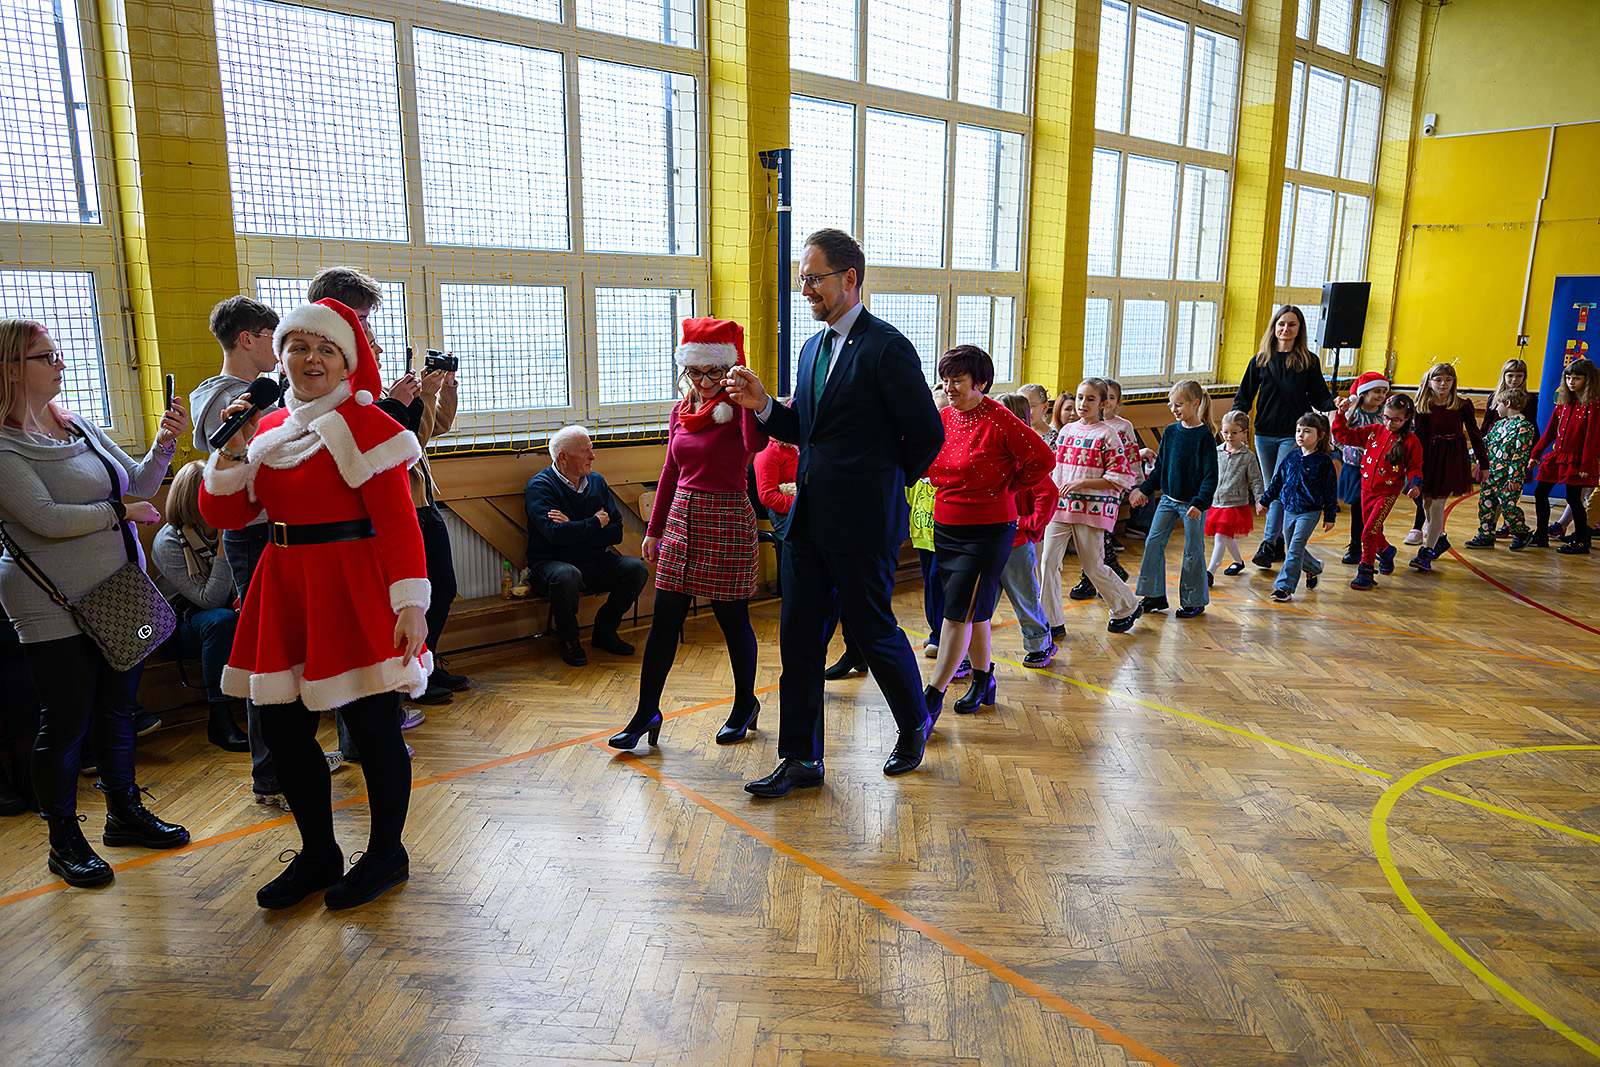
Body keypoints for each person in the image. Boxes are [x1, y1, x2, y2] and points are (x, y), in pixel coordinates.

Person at [201, 298, 428, 910]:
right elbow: (225, 513)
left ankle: (386, 854)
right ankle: (319, 853)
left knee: (373, 728)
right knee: (282, 727)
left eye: (326, 349)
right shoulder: (266, 429)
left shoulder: (370, 426)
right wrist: (230, 450)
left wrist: (411, 603)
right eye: (298, 347)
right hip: (284, 587)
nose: (311, 359)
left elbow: (398, 523)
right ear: (280, 357)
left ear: (347, 362)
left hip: (354, 589)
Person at [723, 228, 944, 796]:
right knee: (798, 640)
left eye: (813, 279)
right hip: (808, 522)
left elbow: (927, 434)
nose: (805, 291)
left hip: (863, 522)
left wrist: (882, 481)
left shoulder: (887, 348)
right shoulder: (811, 349)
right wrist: (764, 404)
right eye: (801, 280)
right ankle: (801, 758)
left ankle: (914, 724)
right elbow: (806, 429)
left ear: (849, 278)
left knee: (872, 631)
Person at [0, 318, 190, 888]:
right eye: (46, 356)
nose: (60, 363)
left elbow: (138, 483)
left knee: (116, 708)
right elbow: (45, 519)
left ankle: (124, 814)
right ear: (11, 369)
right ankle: (64, 841)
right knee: (65, 723)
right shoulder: (3, 444)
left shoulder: (77, 424)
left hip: (117, 591)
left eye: (58, 353)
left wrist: (164, 443)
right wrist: (119, 514)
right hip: (48, 598)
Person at [609, 318, 766, 750]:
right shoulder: (682, 410)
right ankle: (646, 712)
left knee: (732, 619)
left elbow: (756, 445)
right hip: (682, 518)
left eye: (713, 372)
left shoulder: (740, 410)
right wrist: (654, 530)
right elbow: (670, 471)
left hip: (726, 518)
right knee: (664, 619)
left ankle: (745, 704)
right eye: (695, 372)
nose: (703, 382)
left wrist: (747, 399)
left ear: (729, 370)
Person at [308, 266, 461, 708]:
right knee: (405, 600)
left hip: (418, 498)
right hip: (382, 511)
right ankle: (407, 675)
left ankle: (424, 662)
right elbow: (391, 441)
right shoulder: (326, 381)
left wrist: (438, 391)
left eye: (368, 321)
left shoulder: (363, 376)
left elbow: (425, 431)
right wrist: (408, 400)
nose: (368, 335)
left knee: (441, 588)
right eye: (359, 318)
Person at [195, 297, 326, 807]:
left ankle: (290, 759)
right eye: (276, 338)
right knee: (268, 658)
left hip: (279, 533)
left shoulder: (263, 395)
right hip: (254, 536)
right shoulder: (227, 399)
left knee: (292, 651)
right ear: (247, 339)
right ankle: (271, 773)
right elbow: (248, 464)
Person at [918, 350, 1051, 719]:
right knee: (973, 610)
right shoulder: (945, 417)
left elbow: (1043, 460)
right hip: (947, 528)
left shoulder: (1000, 419)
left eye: (957, 381)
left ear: (981, 383)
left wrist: (1007, 486)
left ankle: (933, 694)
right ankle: (983, 679)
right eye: (945, 380)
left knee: (956, 612)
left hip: (988, 531)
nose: (949, 387)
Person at [523, 425, 649, 666]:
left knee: (636, 569)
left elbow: (616, 532)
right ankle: (569, 640)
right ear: (563, 457)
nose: (593, 456)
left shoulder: (597, 482)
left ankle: (605, 631)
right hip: (549, 564)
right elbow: (554, 536)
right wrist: (594, 523)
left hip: (593, 561)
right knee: (567, 575)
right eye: (585, 451)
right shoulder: (540, 486)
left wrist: (572, 526)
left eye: (591, 449)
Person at [149, 460, 248, 752]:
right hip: (180, 624)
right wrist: (223, 550)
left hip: (223, 614)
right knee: (221, 621)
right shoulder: (168, 541)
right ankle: (220, 719)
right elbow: (209, 600)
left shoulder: (226, 526)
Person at [1232, 305, 1335, 568]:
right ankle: (1278, 543)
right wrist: (1234, 423)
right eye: (1281, 324)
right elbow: (1243, 398)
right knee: (1273, 487)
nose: (1285, 329)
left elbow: (1320, 396)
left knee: (1278, 486)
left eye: (1292, 324)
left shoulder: (1308, 361)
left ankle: (1267, 544)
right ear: (1274, 327)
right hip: (1264, 433)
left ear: (1299, 329)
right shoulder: (1260, 360)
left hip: (1294, 434)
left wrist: (1336, 405)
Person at [1046, 378, 1141, 634]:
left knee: (1093, 567)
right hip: (1060, 508)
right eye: (1080, 397)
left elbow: (1120, 477)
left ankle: (1127, 607)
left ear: (1102, 404)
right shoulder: (1067, 431)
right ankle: (1051, 621)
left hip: (1092, 510)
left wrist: (1082, 483)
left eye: (1090, 399)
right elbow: (1057, 470)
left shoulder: (1108, 434)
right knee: (1047, 563)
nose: (1083, 403)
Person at [1130, 380, 1219, 619]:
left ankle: (1194, 601)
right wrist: (1143, 490)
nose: (1173, 409)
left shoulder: (1204, 436)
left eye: (1178, 405)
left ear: (1195, 403)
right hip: (1168, 501)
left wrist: (1199, 503)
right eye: (1171, 405)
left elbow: (1211, 476)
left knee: (1193, 550)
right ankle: (1154, 595)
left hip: (1192, 505)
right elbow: (1160, 469)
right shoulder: (1170, 432)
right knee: (1153, 542)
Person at [1333, 393, 1423, 589]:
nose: (1389, 423)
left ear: (1407, 418)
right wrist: (1340, 414)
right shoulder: (1373, 430)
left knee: (1367, 532)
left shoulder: (1410, 441)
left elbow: (1415, 467)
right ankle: (1387, 551)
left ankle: (1365, 571)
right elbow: (1343, 436)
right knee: (1372, 530)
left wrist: (1415, 483)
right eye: (1386, 417)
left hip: (1387, 493)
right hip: (1366, 489)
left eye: (1396, 420)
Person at [994, 393, 1057, 666]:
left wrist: (1028, 524)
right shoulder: (992, 454)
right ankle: (967, 652)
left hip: (1016, 543)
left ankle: (1039, 642)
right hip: (988, 540)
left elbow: (1049, 493)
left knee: (1024, 596)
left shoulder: (1023, 458)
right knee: (979, 602)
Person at [1410, 363, 1488, 571]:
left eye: (1448, 380)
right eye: (1438, 380)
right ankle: (1440, 539)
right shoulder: (1422, 406)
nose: (1443, 384)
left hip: (1451, 460)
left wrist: (1484, 463)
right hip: (1429, 459)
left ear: (1454, 382)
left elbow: (1475, 435)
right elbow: (1417, 438)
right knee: (1426, 503)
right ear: (1429, 382)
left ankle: (1427, 551)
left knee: (1437, 505)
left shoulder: (1462, 406)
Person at [1258, 414, 1338, 602]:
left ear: (1320, 436)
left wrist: (1330, 515)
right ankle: (1314, 567)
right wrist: (1265, 501)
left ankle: (1284, 587)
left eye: (1307, 431)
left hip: (1309, 512)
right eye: (1298, 430)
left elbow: (1330, 490)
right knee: (1294, 547)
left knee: (1294, 548)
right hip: (1289, 510)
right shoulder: (1291, 456)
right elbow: (1277, 482)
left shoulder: (1324, 461)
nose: (1301, 435)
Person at [1528, 357, 1600, 555]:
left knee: (1574, 498)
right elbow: (1550, 431)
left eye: (1577, 378)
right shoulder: (1563, 403)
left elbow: (1592, 438)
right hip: (1558, 456)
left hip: (1577, 460)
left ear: (1587, 380)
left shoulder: (1593, 405)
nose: (1571, 382)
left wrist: (1586, 465)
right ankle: (1541, 535)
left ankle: (1581, 542)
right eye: (1568, 378)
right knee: (1540, 492)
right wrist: (1536, 453)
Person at [1466, 388, 1537, 550]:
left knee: (1508, 506)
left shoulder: (1524, 426)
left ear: (1508, 403)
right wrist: (1465, 457)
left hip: (1508, 478)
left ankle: (1522, 532)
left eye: (1498, 404)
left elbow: (1520, 454)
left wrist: (1515, 477)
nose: (1496, 408)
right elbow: (1484, 444)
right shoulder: (1499, 425)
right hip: (1491, 475)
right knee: (1486, 505)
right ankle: (1485, 535)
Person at [1335, 374, 1390, 564]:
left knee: (1376, 512)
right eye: (1377, 391)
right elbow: (1338, 437)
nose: (1381, 395)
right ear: (1364, 393)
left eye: (1384, 391)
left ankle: (1378, 546)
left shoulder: (1385, 415)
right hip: (1355, 469)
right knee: (1358, 510)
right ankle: (1355, 546)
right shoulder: (1353, 414)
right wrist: (1350, 451)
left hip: (1377, 471)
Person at [1208, 411, 1265, 581]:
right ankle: (1238, 562)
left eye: (1234, 432)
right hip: (1217, 502)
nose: (1229, 436)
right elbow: (1209, 474)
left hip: (1234, 504)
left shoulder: (1248, 457)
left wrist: (1260, 499)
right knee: (1226, 537)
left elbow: (1256, 480)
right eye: (1225, 432)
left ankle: (1210, 572)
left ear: (1244, 433)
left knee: (1220, 536)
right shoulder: (1217, 452)